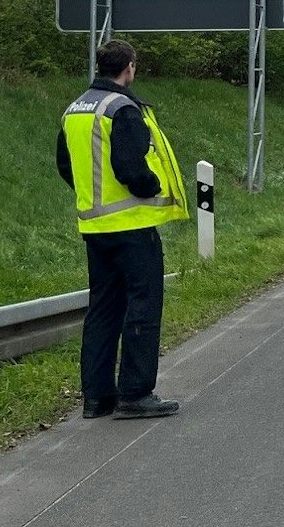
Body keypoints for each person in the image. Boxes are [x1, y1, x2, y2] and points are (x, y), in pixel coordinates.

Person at [56, 40, 188, 420]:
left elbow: (66, 167)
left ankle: (97, 398)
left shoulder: (75, 110)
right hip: (133, 226)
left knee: (102, 310)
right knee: (143, 306)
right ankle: (135, 392)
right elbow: (131, 169)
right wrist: (152, 187)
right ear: (129, 67)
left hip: (95, 228)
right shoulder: (123, 109)